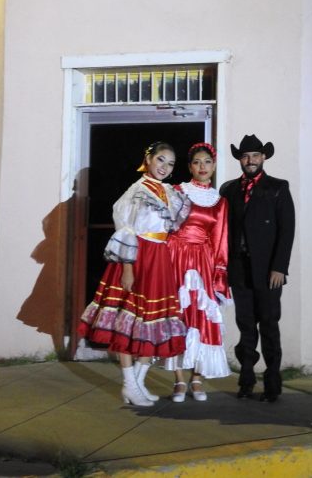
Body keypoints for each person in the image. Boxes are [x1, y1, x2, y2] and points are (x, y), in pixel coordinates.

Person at [77, 141, 190, 407]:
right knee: (127, 322)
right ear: (148, 160)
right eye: (160, 160)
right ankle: (129, 383)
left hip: (159, 259)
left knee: (152, 322)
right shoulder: (137, 191)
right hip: (138, 257)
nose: (164, 167)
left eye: (170, 163)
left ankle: (137, 384)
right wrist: (127, 268)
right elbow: (125, 229)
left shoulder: (169, 193)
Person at [220, 134, 295, 403]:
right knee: (246, 326)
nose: (250, 160)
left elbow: (286, 231)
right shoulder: (229, 190)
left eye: (254, 155)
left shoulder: (277, 187)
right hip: (239, 269)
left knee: (269, 325)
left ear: (263, 157)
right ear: (240, 160)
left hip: (268, 271)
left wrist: (279, 268)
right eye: (245, 156)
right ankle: (246, 379)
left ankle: (273, 383)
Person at [161, 142, 231, 402]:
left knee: (200, 318)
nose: (203, 167)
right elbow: (163, 225)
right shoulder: (177, 191)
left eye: (207, 162)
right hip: (175, 257)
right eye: (197, 162)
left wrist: (219, 274)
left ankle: (197, 378)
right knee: (178, 317)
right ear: (190, 167)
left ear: (214, 166)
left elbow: (220, 240)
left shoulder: (219, 202)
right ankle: (179, 380)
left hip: (203, 261)